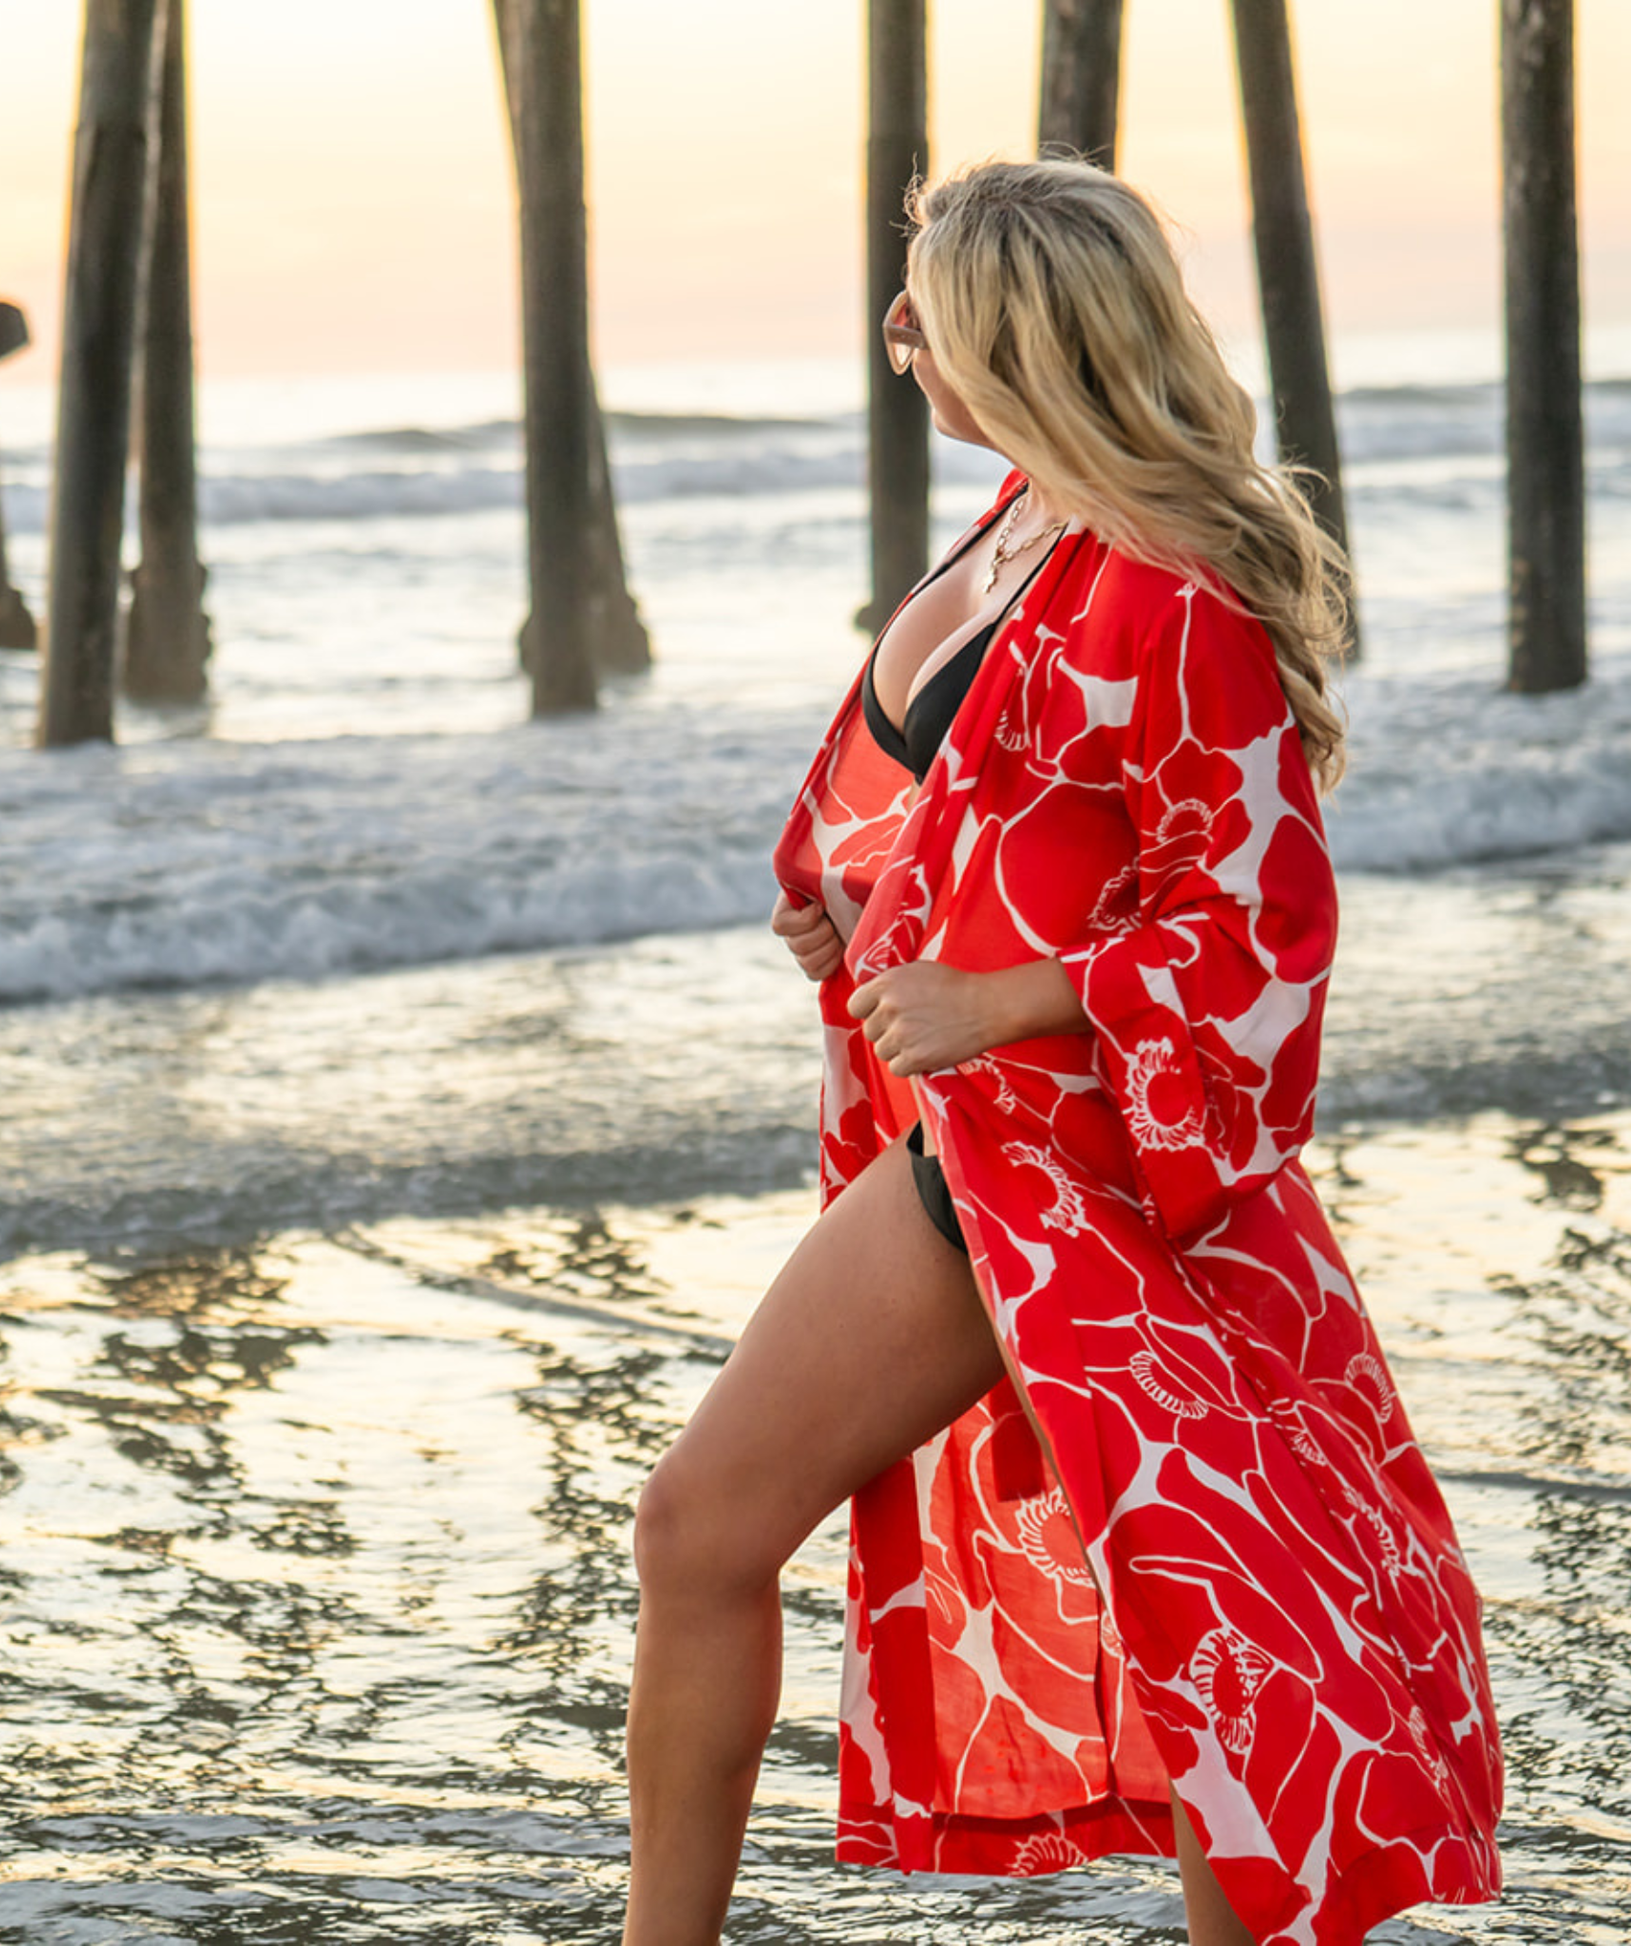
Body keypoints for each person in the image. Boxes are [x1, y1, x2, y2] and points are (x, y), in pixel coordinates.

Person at [621, 159, 1503, 1946]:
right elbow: (994, 819)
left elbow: (1259, 924)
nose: (892, 329)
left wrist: (1004, 999)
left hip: (1078, 1172)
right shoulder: (1022, 521)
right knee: (1194, 1624)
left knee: (1184, 1626)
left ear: (1014, 333)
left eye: (922, 300)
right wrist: (858, 921)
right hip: (971, 1149)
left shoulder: (1177, 590)